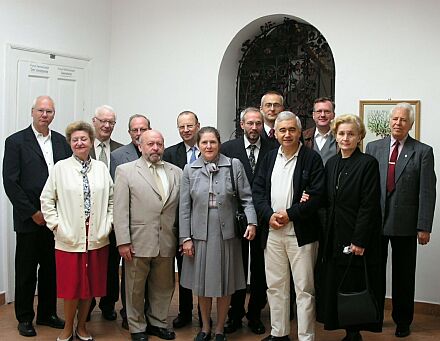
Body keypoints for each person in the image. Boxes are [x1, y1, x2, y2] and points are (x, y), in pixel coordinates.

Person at [179, 126, 257, 341]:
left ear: (219, 143)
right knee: (202, 286)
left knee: (225, 284)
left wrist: (252, 223)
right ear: (198, 145)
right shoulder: (189, 169)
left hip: (227, 235)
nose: (209, 146)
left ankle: (221, 328)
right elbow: (184, 207)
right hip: (200, 235)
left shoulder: (233, 165)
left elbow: (247, 199)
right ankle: (205, 327)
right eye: (204, 143)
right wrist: (185, 238)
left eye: (213, 142)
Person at [366, 103, 436, 338]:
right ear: (390, 121)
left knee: (403, 276)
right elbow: (367, 187)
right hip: (376, 222)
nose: (397, 123)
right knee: (374, 272)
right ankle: (374, 317)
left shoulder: (423, 151)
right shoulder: (373, 147)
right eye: (394, 119)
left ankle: (403, 321)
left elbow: (427, 191)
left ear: (410, 124)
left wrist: (424, 226)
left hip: (405, 225)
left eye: (403, 120)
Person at [252, 111, 324, 341]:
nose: (287, 134)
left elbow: (317, 195)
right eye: (282, 130)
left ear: (300, 131)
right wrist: (269, 215)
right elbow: (258, 191)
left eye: (292, 129)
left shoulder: (311, 159)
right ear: (275, 133)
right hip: (272, 233)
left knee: (304, 290)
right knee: (275, 286)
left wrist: (290, 214)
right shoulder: (269, 158)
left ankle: (306, 336)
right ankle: (279, 333)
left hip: (300, 235)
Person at [3, 95, 70, 337]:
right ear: (32, 112)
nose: (45, 115)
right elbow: (10, 182)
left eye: (49, 111)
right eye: (41, 110)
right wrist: (32, 212)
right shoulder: (15, 142)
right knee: (26, 270)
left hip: (56, 220)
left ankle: (47, 313)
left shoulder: (62, 142)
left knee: (52, 270)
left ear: (54, 115)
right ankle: (24, 318)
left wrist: (56, 214)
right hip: (29, 219)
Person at [40, 121, 114, 341]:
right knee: (71, 287)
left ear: (91, 142)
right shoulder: (60, 168)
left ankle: (82, 327)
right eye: (75, 140)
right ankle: (67, 327)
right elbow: (47, 200)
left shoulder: (101, 168)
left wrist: (107, 225)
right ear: (70, 143)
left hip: (96, 237)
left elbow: (112, 200)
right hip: (69, 237)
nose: (80, 143)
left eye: (84, 139)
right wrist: (56, 226)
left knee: (89, 286)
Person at [316, 114, 383, 341]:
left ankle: (354, 333)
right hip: (334, 236)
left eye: (351, 134)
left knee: (356, 284)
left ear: (359, 137)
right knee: (337, 283)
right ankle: (347, 330)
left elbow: (369, 206)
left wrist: (359, 240)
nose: (345, 138)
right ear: (335, 135)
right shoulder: (332, 163)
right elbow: (325, 198)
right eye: (342, 133)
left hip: (356, 236)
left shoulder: (368, 164)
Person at [114, 130, 181, 341]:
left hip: (166, 240)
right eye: (150, 144)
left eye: (159, 144)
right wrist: (123, 241)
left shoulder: (176, 172)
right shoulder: (125, 171)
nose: (155, 148)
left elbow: (180, 209)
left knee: (164, 285)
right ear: (140, 146)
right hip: (137, 240)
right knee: (135, 287)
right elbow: (120, 209)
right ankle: (137, 327)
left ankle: (157, 323)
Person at [221, 107, 276, 335]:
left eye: (258, 123)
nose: (254, 128)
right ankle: (235, 314)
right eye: (250, 123)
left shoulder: (274, 147)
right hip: (237, 218)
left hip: (265, 217)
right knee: (237, 266)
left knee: (261, 268)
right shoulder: (228, 148)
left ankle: (255, 314)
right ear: (242, 125)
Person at [109, 113, 151, 329]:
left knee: (150, 275)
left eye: (143, 129)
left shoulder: (156, 148)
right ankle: (129, 313)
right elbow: (117, 195)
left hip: (151, 225)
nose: (139, 133)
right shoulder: (118, 155)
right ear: (129, 132)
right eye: (135, 130)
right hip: (129, 223)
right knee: (130, 273)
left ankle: (149, 314)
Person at [162, 110, 200, 328]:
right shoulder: (170, 154)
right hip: (178, 223)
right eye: (181, 127)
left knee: (205, 270)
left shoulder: (208, 149)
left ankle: (204, 313)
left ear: (197, 125)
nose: (185, 130)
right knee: (183, 271)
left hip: (205, 222)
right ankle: (185, 312)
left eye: (189, 125)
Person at [88, 104, 123, 321]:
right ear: (94, 121)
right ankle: (88, 303)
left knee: (112, 264)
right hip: (88, 217)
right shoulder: (81, 145)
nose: (107, 126)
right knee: (89, 262)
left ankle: (109, 303)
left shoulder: (121, 150)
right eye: (103, 121)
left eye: (111, 122)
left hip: (114, 217)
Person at [302, 97, 337, 165]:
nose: (323, 115)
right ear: (313, 115)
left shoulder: (340, 137)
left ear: (333, 115)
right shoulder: (303, 137)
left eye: (327, 111)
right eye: (319, 111)